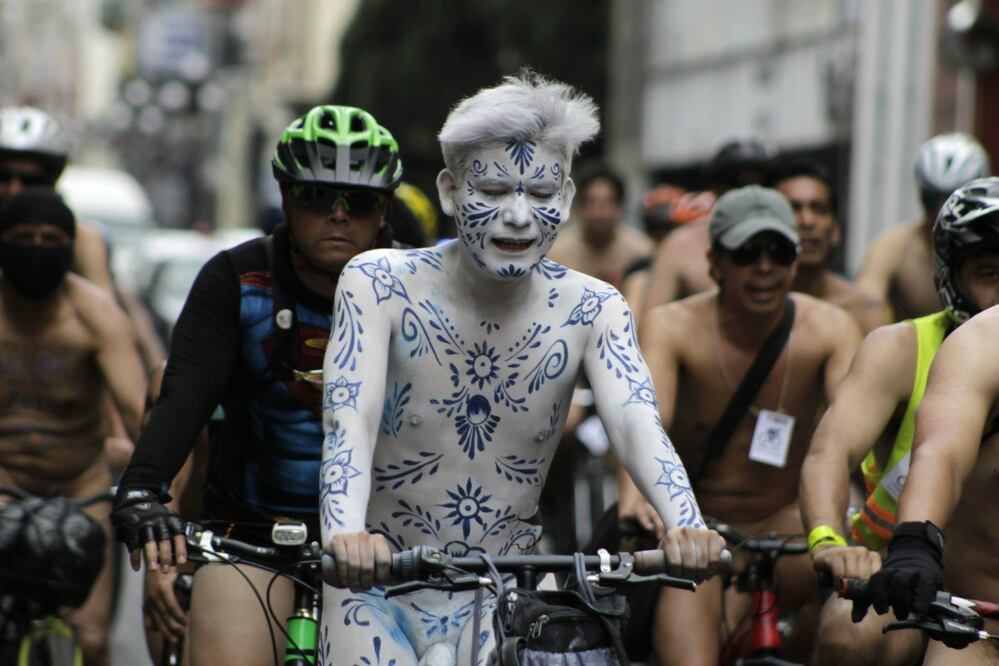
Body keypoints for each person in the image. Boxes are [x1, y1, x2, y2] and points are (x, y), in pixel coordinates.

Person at [317, 72, 725, 665]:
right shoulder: (377, 283)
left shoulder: (595, 307)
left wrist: (685, 522)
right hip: (373, 584)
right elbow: (349, 417)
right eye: (492, 190)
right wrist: (343, 535)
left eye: (540, 193)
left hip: (509, 592)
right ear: (450, 191)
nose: (518, 215)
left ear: (566, 199)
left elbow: (636, 420)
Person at [110, 104, 404, 665]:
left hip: (384, 546)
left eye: (360, 202)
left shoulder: (418, 286)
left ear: (385, 209)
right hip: (248, 536)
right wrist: (143, 488)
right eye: (317, 196)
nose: (338, 215)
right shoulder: (236, 279)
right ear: (286, 198)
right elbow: (185, 396)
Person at [621, 185, 862, 665]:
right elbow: (645, 421)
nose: (764, 266)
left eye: (779, 251)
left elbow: (852, 437)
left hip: (788, 523)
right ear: (716, 262)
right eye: (748, 252)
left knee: (853, 606)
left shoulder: (831, 328)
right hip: (698, 527)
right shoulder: (672, 326)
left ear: (796, 259)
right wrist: (637, 496)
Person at [799, 178, 999, 665]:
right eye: (990, 273)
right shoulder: (901, 349)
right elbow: (831, 452)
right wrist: (828, 540)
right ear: (952, 276)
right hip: (909, 576)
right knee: (848, 635)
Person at [0, 190, 146, 666]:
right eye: (23, 237)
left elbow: (138, 412)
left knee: (92, 639)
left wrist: (155, 490)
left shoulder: (97, 315)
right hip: (4, 484)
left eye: (50, 239)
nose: (36, 248)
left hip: (81, 489)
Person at [858, 133, 990, 321]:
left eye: (956, 202)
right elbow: (866, 303)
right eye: (933, 200)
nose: (942, 212)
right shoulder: (893, 247)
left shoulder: (993, 246)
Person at [641, 138, 775, 313]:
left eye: (762, 185)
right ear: (715, 189)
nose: (750, 195)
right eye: (739, 184)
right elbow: (652, 320)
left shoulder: (792, 239)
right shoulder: (680, 245)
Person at [0, 106, 114, 293]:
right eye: (3, 177)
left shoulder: (82, 239)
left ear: (53, 183)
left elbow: (103, 302)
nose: (14, 190)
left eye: (31, 180)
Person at [773, 158, 886, 334]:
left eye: (819, 209)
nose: (807, 221)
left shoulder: (864, 310)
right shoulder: (752, 301)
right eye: (793, 209)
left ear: (836, 231)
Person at [547, 162, 654, 288]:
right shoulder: (555, 253)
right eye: (591, 203)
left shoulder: (642, 251)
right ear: (578, 206)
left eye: (608, 203)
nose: (599, 213)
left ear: (621, 207)